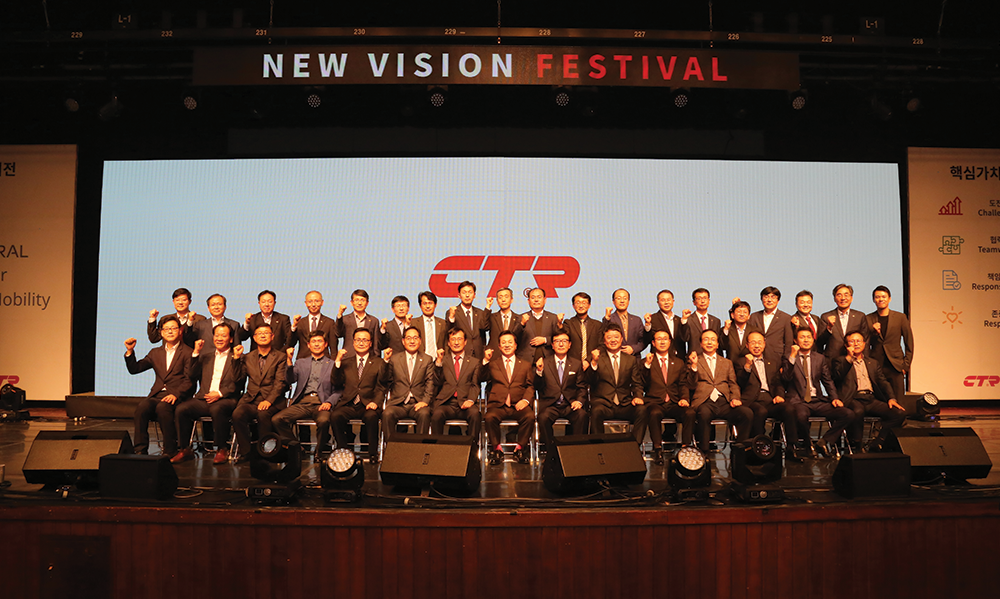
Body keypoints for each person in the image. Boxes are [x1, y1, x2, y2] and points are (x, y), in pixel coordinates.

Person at [173, 324, 246, 464]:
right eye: (216, 335)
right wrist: (195, 353)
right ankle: (184, 449)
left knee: (217, 409)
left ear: (231, 339)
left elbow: (239, 383)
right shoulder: (206, 356)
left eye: (223, 335)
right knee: (181, 409)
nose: (219, 338)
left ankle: (222, 449)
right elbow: (191, 375)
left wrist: (220, 393)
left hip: (227, 399)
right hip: (204, 398)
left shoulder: (239, 357)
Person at [123, 315, 195, 456]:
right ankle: (140, 450)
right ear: (161, 333)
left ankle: (170, 450)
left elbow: (190, 380)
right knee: (142, 407)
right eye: (166, 329)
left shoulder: (188, 352)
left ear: (180, 331)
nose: (170, 331)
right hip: (157, 395)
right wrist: (130, 351)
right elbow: (135, 369)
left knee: (163, 408)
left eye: (173, 328)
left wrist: (176, 394)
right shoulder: (155, 352)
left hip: (178, 395)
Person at [782, 327, 854, 457]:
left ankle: (824, 442)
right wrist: (792, 356)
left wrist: (834, 398)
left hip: (817, 400)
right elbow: (786, 378)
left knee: (847, 414)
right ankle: (807, 445)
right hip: (799, 401)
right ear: (795, 340)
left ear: (813, 339)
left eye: (808, 337)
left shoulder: (819, 358)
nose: (806, 340)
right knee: (801, 416)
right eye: (802, 337)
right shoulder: (789, 357)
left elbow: (827, 381)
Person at [833, 332, 907, 451]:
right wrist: (849, 358)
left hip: (870, 399)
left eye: (859, 341)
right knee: (858, 411)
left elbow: (883, 382)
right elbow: (837, 377)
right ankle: (857, 445)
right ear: (846, 345)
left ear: (864, 344)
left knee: (899, 413)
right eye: (852, 341)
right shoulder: (840, 361)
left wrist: (891, 398)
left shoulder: (872, 363)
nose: (856, 344)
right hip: (852, 398)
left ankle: (878, 441)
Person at [735, 332, 799, 461]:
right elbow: (740, 383)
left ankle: (791, 447)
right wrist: (747, 366)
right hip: (752, 400)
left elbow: (778, 383)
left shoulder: (772, 362)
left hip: (769, 399)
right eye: (753, 342)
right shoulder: (739, 362)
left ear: (764, 344)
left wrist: (779, 395)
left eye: (759, 342)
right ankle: (759, 446)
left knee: (789, 408)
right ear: (747, 345)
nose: (756, 345)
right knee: (761, 411)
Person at [272, 330, 337, 457]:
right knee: (277, 419)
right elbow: (290, 379)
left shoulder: (333, 364)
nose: (316, 344)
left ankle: (319, 452)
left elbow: (338, 390)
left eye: (319, 341)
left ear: (325, 344)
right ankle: (297, 447)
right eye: (314, 341)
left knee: (324, 421)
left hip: (321, 403)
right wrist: (289, 361)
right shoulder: (300, 362)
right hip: (302, 403)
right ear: (308, 345)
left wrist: (329, 402)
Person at [686, 329, 752, 451]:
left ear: (717, 344)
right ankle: (704, 452)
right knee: (704, 414)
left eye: (713, 340)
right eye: (706, 339)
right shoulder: (694, 360)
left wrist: (735, 398)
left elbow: (733, 384)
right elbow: (690, 385)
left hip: (724, 402)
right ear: (700, 344)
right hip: (704, 402)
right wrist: (694, 366)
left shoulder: (726, 362)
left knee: (746, 413)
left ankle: (739, 450)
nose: (709, 342)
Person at [329, 328, 388, 464]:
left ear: (370, 343)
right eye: (358, 340)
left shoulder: (378, 362)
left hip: (368, 403)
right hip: (349, 403)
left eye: (365, 340)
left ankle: (373, 454)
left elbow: (381, 386)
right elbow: (336, 382)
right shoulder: (346, 362)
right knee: (335, 416)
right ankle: (344, 452)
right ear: (353, 342)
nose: (361, 343)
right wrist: (337, 362)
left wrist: (376, 402)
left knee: (371, 416)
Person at [231, 324, 288, 462]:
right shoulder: (248, 357)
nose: (263, 335)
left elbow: (280, 383)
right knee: (237, 414)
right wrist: (236, 359)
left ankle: (265, 452)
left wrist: (268, 400)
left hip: (273, 401)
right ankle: (246, 452)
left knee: (263, 414)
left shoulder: (280, 357)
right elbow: (238, 379)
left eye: (266, 333)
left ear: (272, 336)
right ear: (254, 338)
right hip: (251, 400)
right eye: (259, 333)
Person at [641, 329, 695, 464]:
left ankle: (685, 449)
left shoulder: (678, 362)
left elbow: (682, 384)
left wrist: (684, 398)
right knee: (654, 413)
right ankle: (657, 449)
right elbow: (642, 383)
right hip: (655, 402)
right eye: (659, 339)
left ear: (670, 342)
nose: (662, 342)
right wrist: (647, 366)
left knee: (689, 413)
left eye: (665, 339)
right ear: (653, 343)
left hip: (673, 402)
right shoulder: (645, 362)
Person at [588, 325, 648, 444]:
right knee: (596, 411)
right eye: (609, 337)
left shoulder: (630, 360)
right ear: (604, 341)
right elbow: (590, 381)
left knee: (642, 410)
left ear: (621, 339)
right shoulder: (597, 358)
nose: (613, 340)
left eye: (616, 337)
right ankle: (599, 448)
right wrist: (594, 363)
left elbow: (637, 383)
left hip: (624, 404)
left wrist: (638, 396)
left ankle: (634, 446)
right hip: (604, 404)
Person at [482, 332, 536, 465]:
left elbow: (530, 386)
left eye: (510, 342)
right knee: (489, 418)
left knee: (529, 416)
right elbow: (481, 378)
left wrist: (525, 400)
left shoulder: (525, 365)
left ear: (516, 345)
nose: (507, 345)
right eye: (504, 342)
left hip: (518, 405)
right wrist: (486, 361)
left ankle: (520, 448)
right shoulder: (493, 364)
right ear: (499, 347)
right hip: (498, 405)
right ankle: (497, 449)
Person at [534, 330, 588, 451]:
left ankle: (576, 451)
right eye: (557, 341)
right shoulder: (544, 362)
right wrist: (539, 372)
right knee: (543, 418)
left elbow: (581, 387)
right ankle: (551, 451)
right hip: (550, 405)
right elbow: (537, 386)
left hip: (570, 405)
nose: (561, 344)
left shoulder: (576, 364)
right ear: (552, 345)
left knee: (582, 415)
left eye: (564, 341)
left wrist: (579, 401)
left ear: (570, 344)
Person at [430, 328, 483, 442]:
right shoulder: (442, 360)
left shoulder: (474, 362)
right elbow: (437, 382)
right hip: (446, 403)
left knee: (475, 414)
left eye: (459, 339)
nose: (456, 342)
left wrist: (471, 400)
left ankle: (472, 448)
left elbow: (475, 384)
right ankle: (436, 448)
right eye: (453, 339)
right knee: (436, 415)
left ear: (465, 342)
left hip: (465, 402)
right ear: (448, 343)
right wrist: (438, 362)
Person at [381, 327, 435, 438]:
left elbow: (430, 382)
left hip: (418, 403)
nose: (412, 341)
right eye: (408, 338)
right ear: (403, 341)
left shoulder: (427, 359)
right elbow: (385, 380)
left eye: (415, 338)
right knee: (387, 414)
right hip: (398, 404)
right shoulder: (394, 359)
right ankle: (391, 447)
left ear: (420, 341)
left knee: (424, 414)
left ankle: (420, 447)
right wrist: (385, 361)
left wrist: (425, 401)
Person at [867, 286, 914, 403]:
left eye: (883, 297)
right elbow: (866, 342)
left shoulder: (900, 317)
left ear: (889, 299)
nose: (880, 299)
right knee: (879, 400)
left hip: (896, 365)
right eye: (877, 297)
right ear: (873, 300)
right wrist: (873, 332)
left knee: (898, 400)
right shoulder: (868, 318)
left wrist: (905, 365)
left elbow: (909, 342)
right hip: (877, 364)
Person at [818, 283, 871, 361]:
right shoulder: (826, 317)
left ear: (851, 298)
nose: (843, 298)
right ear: (834, 298)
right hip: (832, 360)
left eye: (846, 295)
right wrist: (829, 328)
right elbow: (820, 342)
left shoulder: (860, 316)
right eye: (839, 295)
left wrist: (865, 360)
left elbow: (865, 341)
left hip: (855, 359)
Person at [747, 286, 793, 363]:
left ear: (778, 301)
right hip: (755, 358)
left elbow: (788, 343)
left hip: (777, 358)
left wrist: (785, 363)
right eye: (766, 297)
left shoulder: (786, 318)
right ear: (761, 299)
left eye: (773, 297)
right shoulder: (754, 316)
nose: (769, 300)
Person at [516, 287, 563, 363]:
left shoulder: (553, 318)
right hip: (525, 362)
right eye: (533, 297)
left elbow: (560, 338)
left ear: (545, 300)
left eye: (539, 297)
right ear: (528, 301)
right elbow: (514, 337)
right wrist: (522, 324)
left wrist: (545, 340)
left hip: (548, 362)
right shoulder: (520, 318)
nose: (536, 300)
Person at [446, 280, 489, 358]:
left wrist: (488, 308)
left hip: (479, 354)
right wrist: (451, 317)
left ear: (474, 295)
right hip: (461, 353)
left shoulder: (480, 313)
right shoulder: (453, 312)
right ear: (459, 295)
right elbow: (449, 332)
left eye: (470, 292)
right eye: (464, 292)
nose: (467, 295)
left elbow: (485, 328)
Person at [290, 290, 337, 359]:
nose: (313, 304)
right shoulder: (300, 322)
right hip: (303, 360)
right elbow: (290, 343)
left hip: (324, 361)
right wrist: (294, 326)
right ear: (306, 303)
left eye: (317, 301)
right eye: (310, 301)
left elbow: (333, 347)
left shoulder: (329, 322)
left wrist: (333, 363)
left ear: (322, 302)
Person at [336, 289, 381, 359]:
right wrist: (339, 315)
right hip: (349, 357)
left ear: (367, 303)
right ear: (352, 302)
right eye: (356, 300)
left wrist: (377, 358)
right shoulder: (345, 319)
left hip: (369, 359)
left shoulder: (374, 321)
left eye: (362, 300)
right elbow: (338, 334)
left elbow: (376, 343)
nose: (359, 303)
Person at [561, 291, 603, 364]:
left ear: (589, 305)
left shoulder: (598, 325)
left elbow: (601, 345)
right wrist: (559, 324)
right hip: (572, 364)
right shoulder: (568, 323)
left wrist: (588, 360)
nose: (581, 306)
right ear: (573, 306)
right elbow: (563, 340)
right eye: (578, 303)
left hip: (592, 363)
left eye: (584, 303)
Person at [603, 288, 646, 356]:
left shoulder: (637, 320)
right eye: (619, 298)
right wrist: (607, 318)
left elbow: (644, 341)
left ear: (628, 301)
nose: (622, 301)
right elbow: (603, 337)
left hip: (634, 358)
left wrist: (633, 349)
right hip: (614, 357)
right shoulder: (609, 319)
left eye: (625, 298)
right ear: (613, 301)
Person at [681, 288, 723, 356]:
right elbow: (684, 338)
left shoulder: (716, 321)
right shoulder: (688, 320)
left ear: (709, 301)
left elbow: (719, 343)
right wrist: (684, 320)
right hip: (694, 358)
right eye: (699, 298)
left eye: (705, 298)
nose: (702, 301)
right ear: (694, 302)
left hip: (712, 358)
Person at [643, 289, 685, 359]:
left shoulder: (680, 320)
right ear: (658, 302)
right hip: (659, 359)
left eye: (668, 300)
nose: (666, 302)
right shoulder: (652, 319)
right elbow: (647, 340)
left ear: (673, 301)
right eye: (663, 300)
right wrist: (647, 324)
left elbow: (684, 338)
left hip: (679, 359)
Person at [485, 287, 524, 352]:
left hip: (514, 355)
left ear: (511, 300)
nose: (503, 300)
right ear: (497, 301)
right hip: (494, 354)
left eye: (506, 297)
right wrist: (488, 306)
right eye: (500, 297)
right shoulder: (491, 317)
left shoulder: (519, 319)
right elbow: (483, 326)